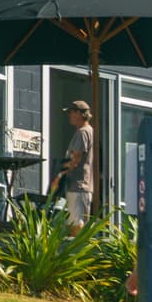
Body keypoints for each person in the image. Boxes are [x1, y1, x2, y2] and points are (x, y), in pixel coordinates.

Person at [53, 99, 96, 231]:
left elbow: (76, 158)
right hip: (83, 186)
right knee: (77, 222)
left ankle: (75, 250)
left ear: (79, 113)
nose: (69, 116)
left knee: (76, 224)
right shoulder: (90, 131)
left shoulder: (83, 132)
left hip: (77, 186)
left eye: (71, 112)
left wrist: (59, 176)